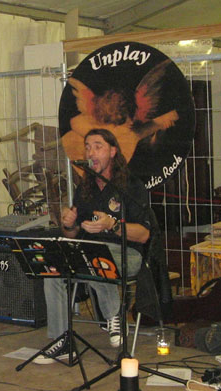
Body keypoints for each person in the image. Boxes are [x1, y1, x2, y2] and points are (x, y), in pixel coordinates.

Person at [36, 128, 150, 364]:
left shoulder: (131, 185)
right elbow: (72, 234)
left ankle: (113, 316)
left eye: (98, 146)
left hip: (127, 253)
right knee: (55, 268)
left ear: (113, 151)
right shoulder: (85, 188)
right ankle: (62, 341)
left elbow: (144, 235)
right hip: (91, 252)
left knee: (92, 256)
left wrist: (113, 225)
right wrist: (68, 224)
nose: (91, 152)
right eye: (88, 147)